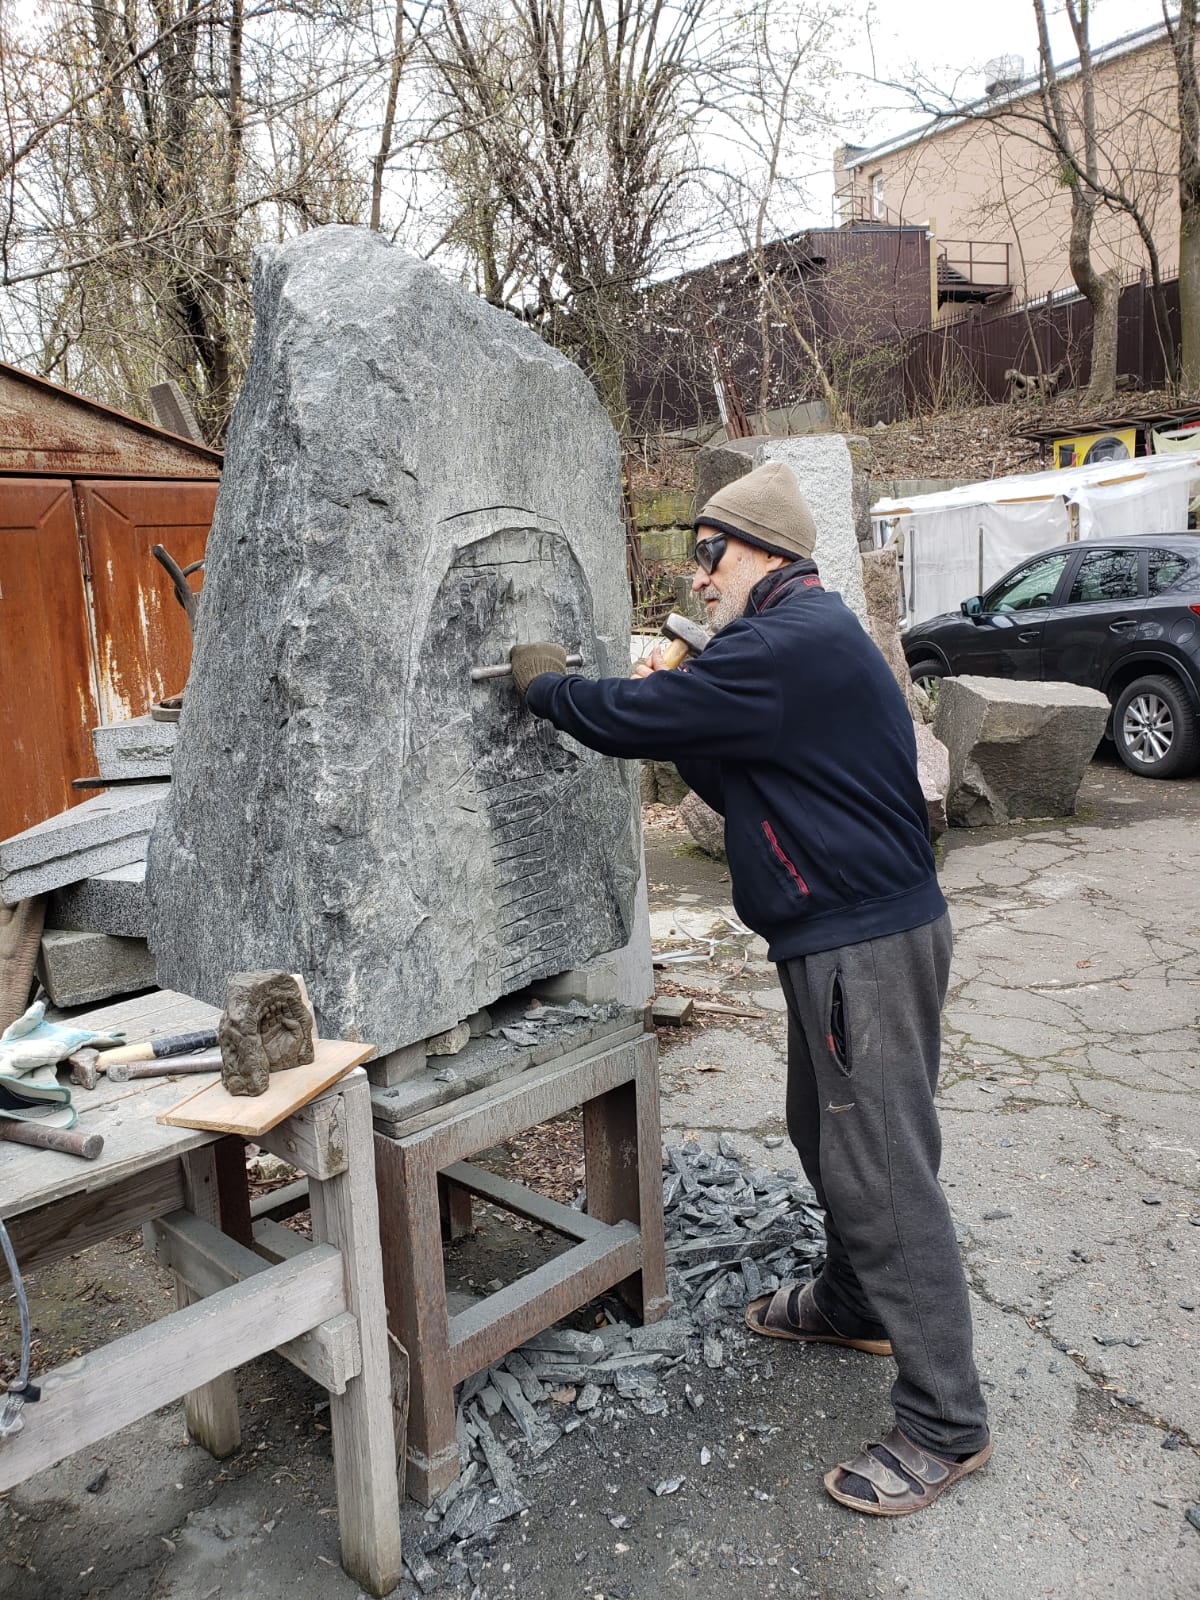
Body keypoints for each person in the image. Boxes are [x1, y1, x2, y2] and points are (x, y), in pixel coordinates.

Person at [508, 460, 991, 1516]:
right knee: (825, 1135)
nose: (699, 574)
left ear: (762, 550)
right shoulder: (795, 641)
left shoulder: (782, 644)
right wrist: (686, 713)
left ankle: (947, 1422)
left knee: (884, 1173)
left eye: (709, 553)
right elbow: (741, 775)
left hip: (864, 944)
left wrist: (544, 689)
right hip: (845, 936)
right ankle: (858, 1304)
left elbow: (632, 719)